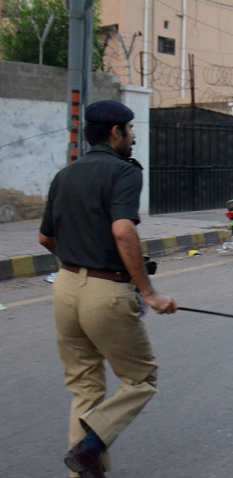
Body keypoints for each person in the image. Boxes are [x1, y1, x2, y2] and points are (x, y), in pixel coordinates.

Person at [38, 100, 177, 478]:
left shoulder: (65, 175)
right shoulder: (124, 172)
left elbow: (45, 237)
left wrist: (76, 260)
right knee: (141, 380)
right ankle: (91, 445)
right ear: (115, 133)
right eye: (131, 130)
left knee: (85, 389)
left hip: (65, 288)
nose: (134, 137)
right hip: (106, 292)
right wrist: (149, 292)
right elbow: (122, 229)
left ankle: (83, 463)